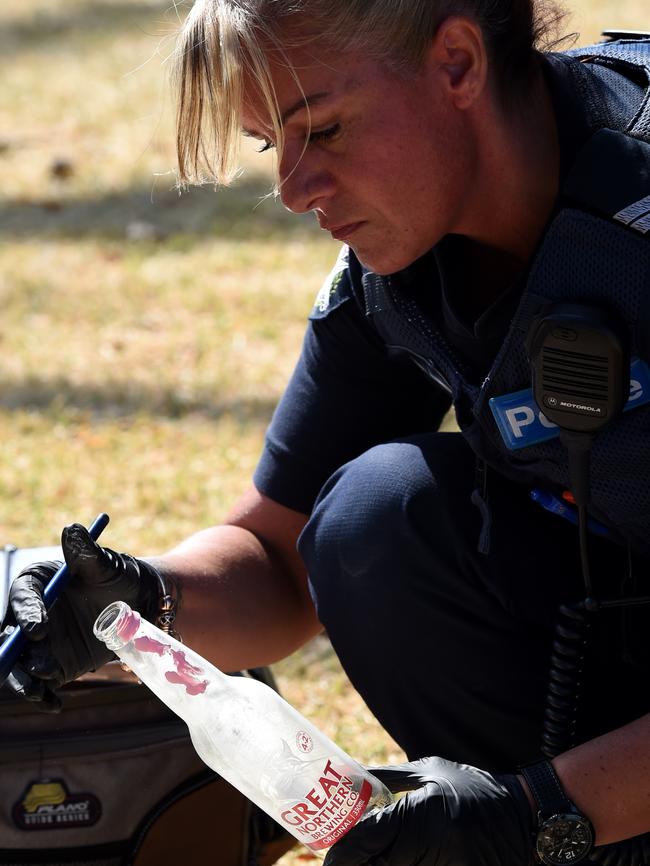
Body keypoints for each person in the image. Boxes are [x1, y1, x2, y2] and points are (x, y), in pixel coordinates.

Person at [3, 1, 650, 863]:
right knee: (380, 517)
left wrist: (533, 815)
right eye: (275, 145)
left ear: (458, 62)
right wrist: (134, 602)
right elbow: (278, 558)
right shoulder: (396, 278)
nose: (293, 192)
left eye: (327, 130)